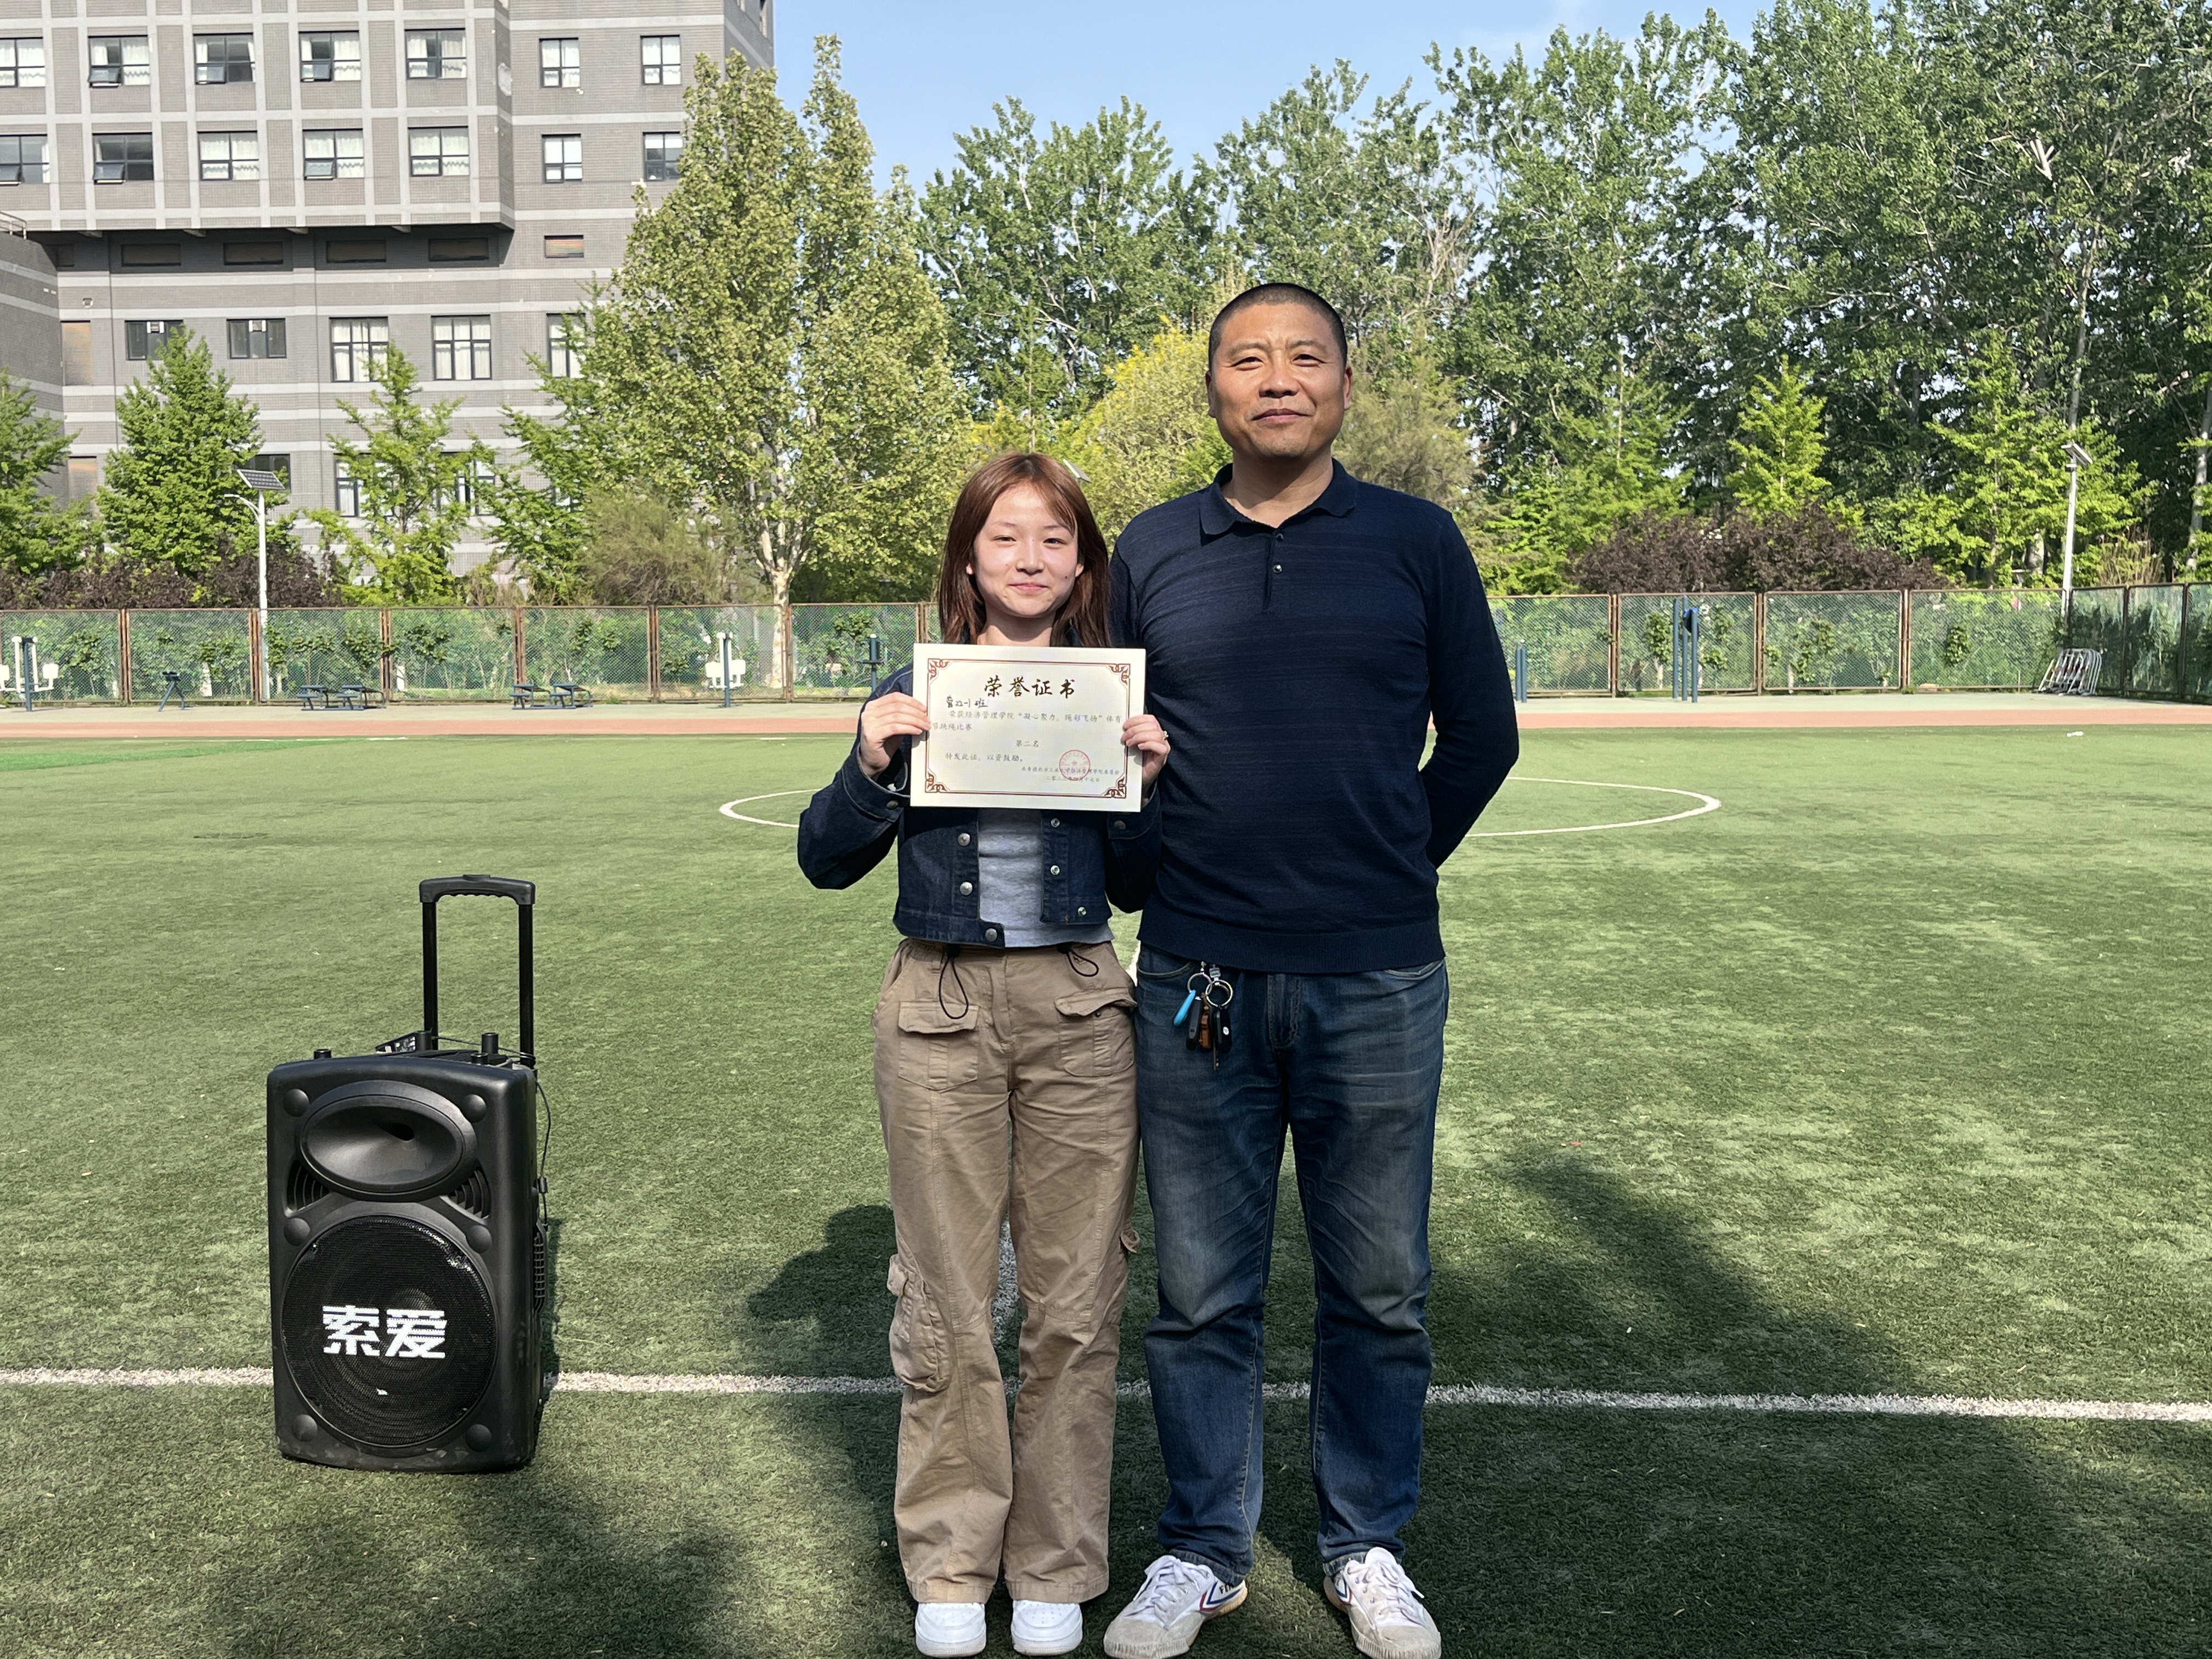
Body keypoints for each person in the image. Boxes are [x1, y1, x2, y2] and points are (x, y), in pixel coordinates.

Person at [1098, 285, 1519, 1659]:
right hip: (1197, 976)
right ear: (1214, 388)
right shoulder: (1153, 547)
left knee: (1380, 1288)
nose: (1277, 379)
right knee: (1199, 1292)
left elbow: (1483, 737)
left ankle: (1365, 1544)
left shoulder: (1417, 539)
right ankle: (1203, 1548)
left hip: (1378, 976)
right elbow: (1106, 743)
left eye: (1305, 357)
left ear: (1344, 382)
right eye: (1248, 359)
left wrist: (1388, 857)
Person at [797, 453, 1173, 1659]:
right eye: (1005, 537)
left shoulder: (1109, 692)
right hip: (938, 1000)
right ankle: (953, 1562)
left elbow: (1138, 885)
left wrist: (1147, 785)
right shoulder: (915, 689)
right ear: (968, 557)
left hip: (1078, 1002)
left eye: (1054, 540)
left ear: (1082, 564)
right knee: (948, 1302)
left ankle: (1054, 1562)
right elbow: (823, 859)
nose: (1029, 559)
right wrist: (870, 764)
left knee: (1075, 1303)